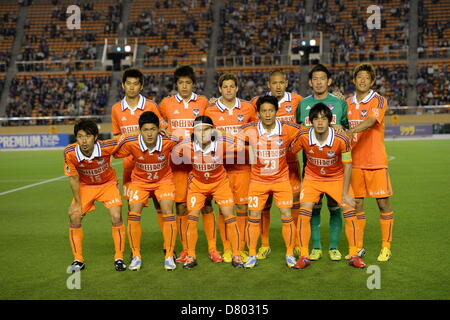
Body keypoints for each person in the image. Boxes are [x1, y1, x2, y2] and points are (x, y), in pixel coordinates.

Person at [290, 103, 365, 269]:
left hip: (336, 179)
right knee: (304, 212)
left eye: (324, 118)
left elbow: (347, 165)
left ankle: (354, 254)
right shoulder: (303, 136)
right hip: (312, 178)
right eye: (316, 119)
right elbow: (291, 150)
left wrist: (345, 193)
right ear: (311, 121)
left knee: (349, 211)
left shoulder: (341, 139)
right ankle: (303, 255)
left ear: (329, 121)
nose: (320, 122)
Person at [159, 66, 221, 263]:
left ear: (193, 84)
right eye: (181, 83)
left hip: (200, 164)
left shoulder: (203, 102)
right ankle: (186, 248)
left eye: (188, 83)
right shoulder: (166, 104)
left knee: (206, 206)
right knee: (182, 207)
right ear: (176, 84)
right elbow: (161, 124)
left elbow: (211, 127)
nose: (184, 86)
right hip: (177, 165)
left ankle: (212, 247)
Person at [237, 95, 301, 269]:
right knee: (254, 216)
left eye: (271, 110)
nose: (267, 114)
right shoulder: (249, 129)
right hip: (258, 181)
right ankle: (251, 254)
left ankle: (289, 254)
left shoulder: (288, 128)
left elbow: (307, 131)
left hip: (281, 180)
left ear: (276, 112)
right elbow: (228, 136)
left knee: (287, 216)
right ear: (258, 113)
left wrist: (337, 128)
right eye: (264, 111)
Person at [173, 116, 244, 269]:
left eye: (206, 130)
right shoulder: (186, 145)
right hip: (197, 184)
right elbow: (172, 149)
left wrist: (225, 133)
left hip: (219, 183)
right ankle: (191, 255)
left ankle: (236, 254)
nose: (203, 134)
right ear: (194, 132)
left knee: (229, 215)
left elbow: (242, 143)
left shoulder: (222, 143)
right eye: (199, 130)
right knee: (192, 217)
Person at [296, 64, 349, 261]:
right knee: (313, 209)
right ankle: (316, 247)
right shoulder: (303, 104)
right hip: (311, 168)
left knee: (335, 208)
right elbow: (300, 131)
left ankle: (334, 247)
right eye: (315, 79)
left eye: (322, 78)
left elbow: (345, 129)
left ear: (329, 81)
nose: (318, 82)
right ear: (310, 82)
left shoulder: (339, 102)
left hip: (335, 169)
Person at [114, 111, 179, 271]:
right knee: (133, 213)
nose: (149, 133)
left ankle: (169, 255)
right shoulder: (131, 142)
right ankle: (136, 255)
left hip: (163, 181)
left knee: (168, 210)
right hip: (139, 181)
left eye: (152, 129)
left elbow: (184, 145)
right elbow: (115, 153)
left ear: (158, 129)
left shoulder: (169, 140)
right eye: (145, 130)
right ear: (140, 130)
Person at [250, 70, 303, 260]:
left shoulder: (298, 100)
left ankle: (295, 243)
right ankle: (264, 244)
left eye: (281, 82)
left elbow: (310, 118)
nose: (278, 86)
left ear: (286, 83)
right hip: (264, 165)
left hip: (289, 163)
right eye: (274, 83)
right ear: (269, 85)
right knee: (264, 207)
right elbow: (244, 119)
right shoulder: (257, 102)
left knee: (292, 205)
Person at [204, 72, 257, 263]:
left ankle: (240, 247)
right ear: (220, 89)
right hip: (221, 168)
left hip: (243, 167)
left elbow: (254, 134)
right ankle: (227, 248)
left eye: (231, 86)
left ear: (236, 88)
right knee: (224, 209)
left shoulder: (248, 108)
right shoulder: (210, 111)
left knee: (243, 207)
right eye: (224, 87)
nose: (228, 90)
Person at [346, 63, 394, 262]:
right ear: (354, 80)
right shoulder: (346, 103)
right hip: (354, 163)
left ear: (372, 81)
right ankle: (358, 246)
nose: (363, 80)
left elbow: (371, 121)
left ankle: (386, 246)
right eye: (360, 77)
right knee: (357, 205)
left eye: (367, 77)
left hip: (375, 161)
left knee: (383, 204)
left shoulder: (379, 100)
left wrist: (352, 130)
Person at [64, 119, 126, 272]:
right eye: (80, 136)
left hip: (107, 184)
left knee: (116, 216)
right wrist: (78, 203)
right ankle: (78, 260)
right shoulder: (70, 153)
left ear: (96, 137)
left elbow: (126, 137)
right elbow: (73, 178)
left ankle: (119, 257)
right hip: (86, 186)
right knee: (74, 215)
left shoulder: (106, 146)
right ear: (76, 138)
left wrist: (155, 129)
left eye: (88, 136)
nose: (84, 141)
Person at [111, 68, 166, 234]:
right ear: (123, 85)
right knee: (132, 208)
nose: (132, 87)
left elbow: (162, 130)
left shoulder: (150, 106)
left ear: (141, 86)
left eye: (135, 84)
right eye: (128, 84)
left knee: (161, 204)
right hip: (130, 167)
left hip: (154, 163)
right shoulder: (116, 109)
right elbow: (116, 137)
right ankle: (135, 248)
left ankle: (167, 245)